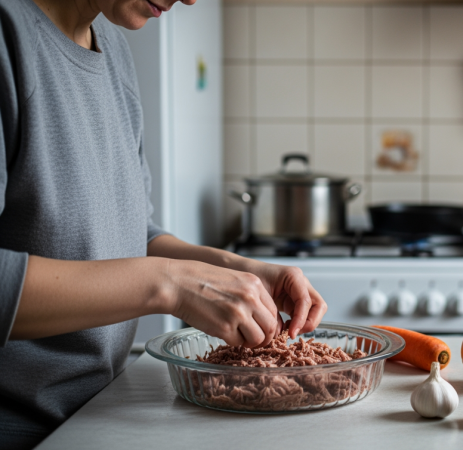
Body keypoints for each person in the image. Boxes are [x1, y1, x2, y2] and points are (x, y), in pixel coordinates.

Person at [0, 1, 328, 448]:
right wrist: (170, 285)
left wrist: (237, 269)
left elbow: (135, 233)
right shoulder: (8, 36)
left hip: (101, 415)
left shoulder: (112, 46)